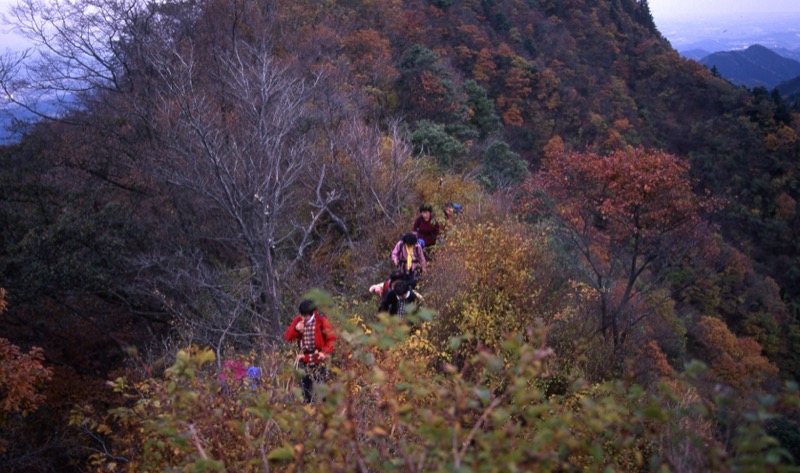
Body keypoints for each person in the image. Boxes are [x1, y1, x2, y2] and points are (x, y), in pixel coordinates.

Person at [284, 299, 337, 403]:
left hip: (319, 360)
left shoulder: (321, 320)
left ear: (311, 313)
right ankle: (309, 413)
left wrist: (324, 352)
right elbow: (288, 337)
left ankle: (323, 414)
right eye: (301, 315)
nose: (303, 318)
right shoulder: (298, 320)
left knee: (321, 393)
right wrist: (296, 329)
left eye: (305, 316)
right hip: (304, 361)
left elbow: (332, 338)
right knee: (306, 392)